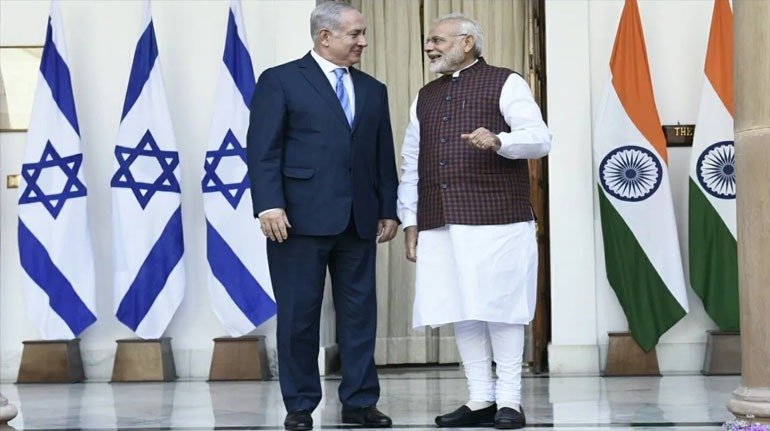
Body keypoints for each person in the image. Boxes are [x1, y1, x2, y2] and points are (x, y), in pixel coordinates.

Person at [246, 2, 398, 430]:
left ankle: (360, 402)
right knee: (299, 316)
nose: (363, 42)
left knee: (360, 315)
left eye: (363, 33)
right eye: (355, 34)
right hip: (296, 220)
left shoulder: (373, 89)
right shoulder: (280, 80)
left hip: (359, 221)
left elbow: (381, 154)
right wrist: (269, 204)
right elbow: (263, 149)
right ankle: (299, 405)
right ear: (324, 36)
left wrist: (388, 207)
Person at [397, 13, 551, 430]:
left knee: (500, 307)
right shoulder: (425, 96)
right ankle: (481, 398)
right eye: (429, 41)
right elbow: (411, 162)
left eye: (438, 40)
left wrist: (500, 140)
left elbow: (540, 138)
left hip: (497, 219)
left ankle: (510, 401)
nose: (429, 47)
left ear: (467, 43)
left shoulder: (506, 82)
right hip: (439, 220)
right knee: (460, 305)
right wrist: (410, 220)